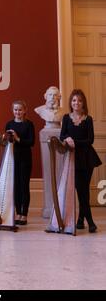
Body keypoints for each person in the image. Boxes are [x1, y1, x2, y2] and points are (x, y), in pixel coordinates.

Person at [60, 89, 102, 233]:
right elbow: (62, 136)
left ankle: (80, 220)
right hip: (73, 158)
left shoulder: (88, 119)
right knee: (81, 190)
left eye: (79, 100)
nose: (76, 103)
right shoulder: (66, 118)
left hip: (87, 157)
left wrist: (74, 142)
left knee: (84, 190)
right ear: (70, 103)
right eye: (73, 100)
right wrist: (67, 139)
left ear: (83, 103)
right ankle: (89, 221)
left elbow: (90, 140)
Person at [5, 100, 35, 225]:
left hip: (25, 158)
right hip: (13, 158)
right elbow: (7, 142)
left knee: (24, 186)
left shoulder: (29, 124)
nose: (18, 112)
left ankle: (24, 214)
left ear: (24, 110)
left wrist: (17, 138)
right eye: (15, 109)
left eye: (20, 109)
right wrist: (5, 138)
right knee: (16, 186)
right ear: (13, 111)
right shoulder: (9, 124)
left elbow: (31, 142)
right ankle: (17, 212)